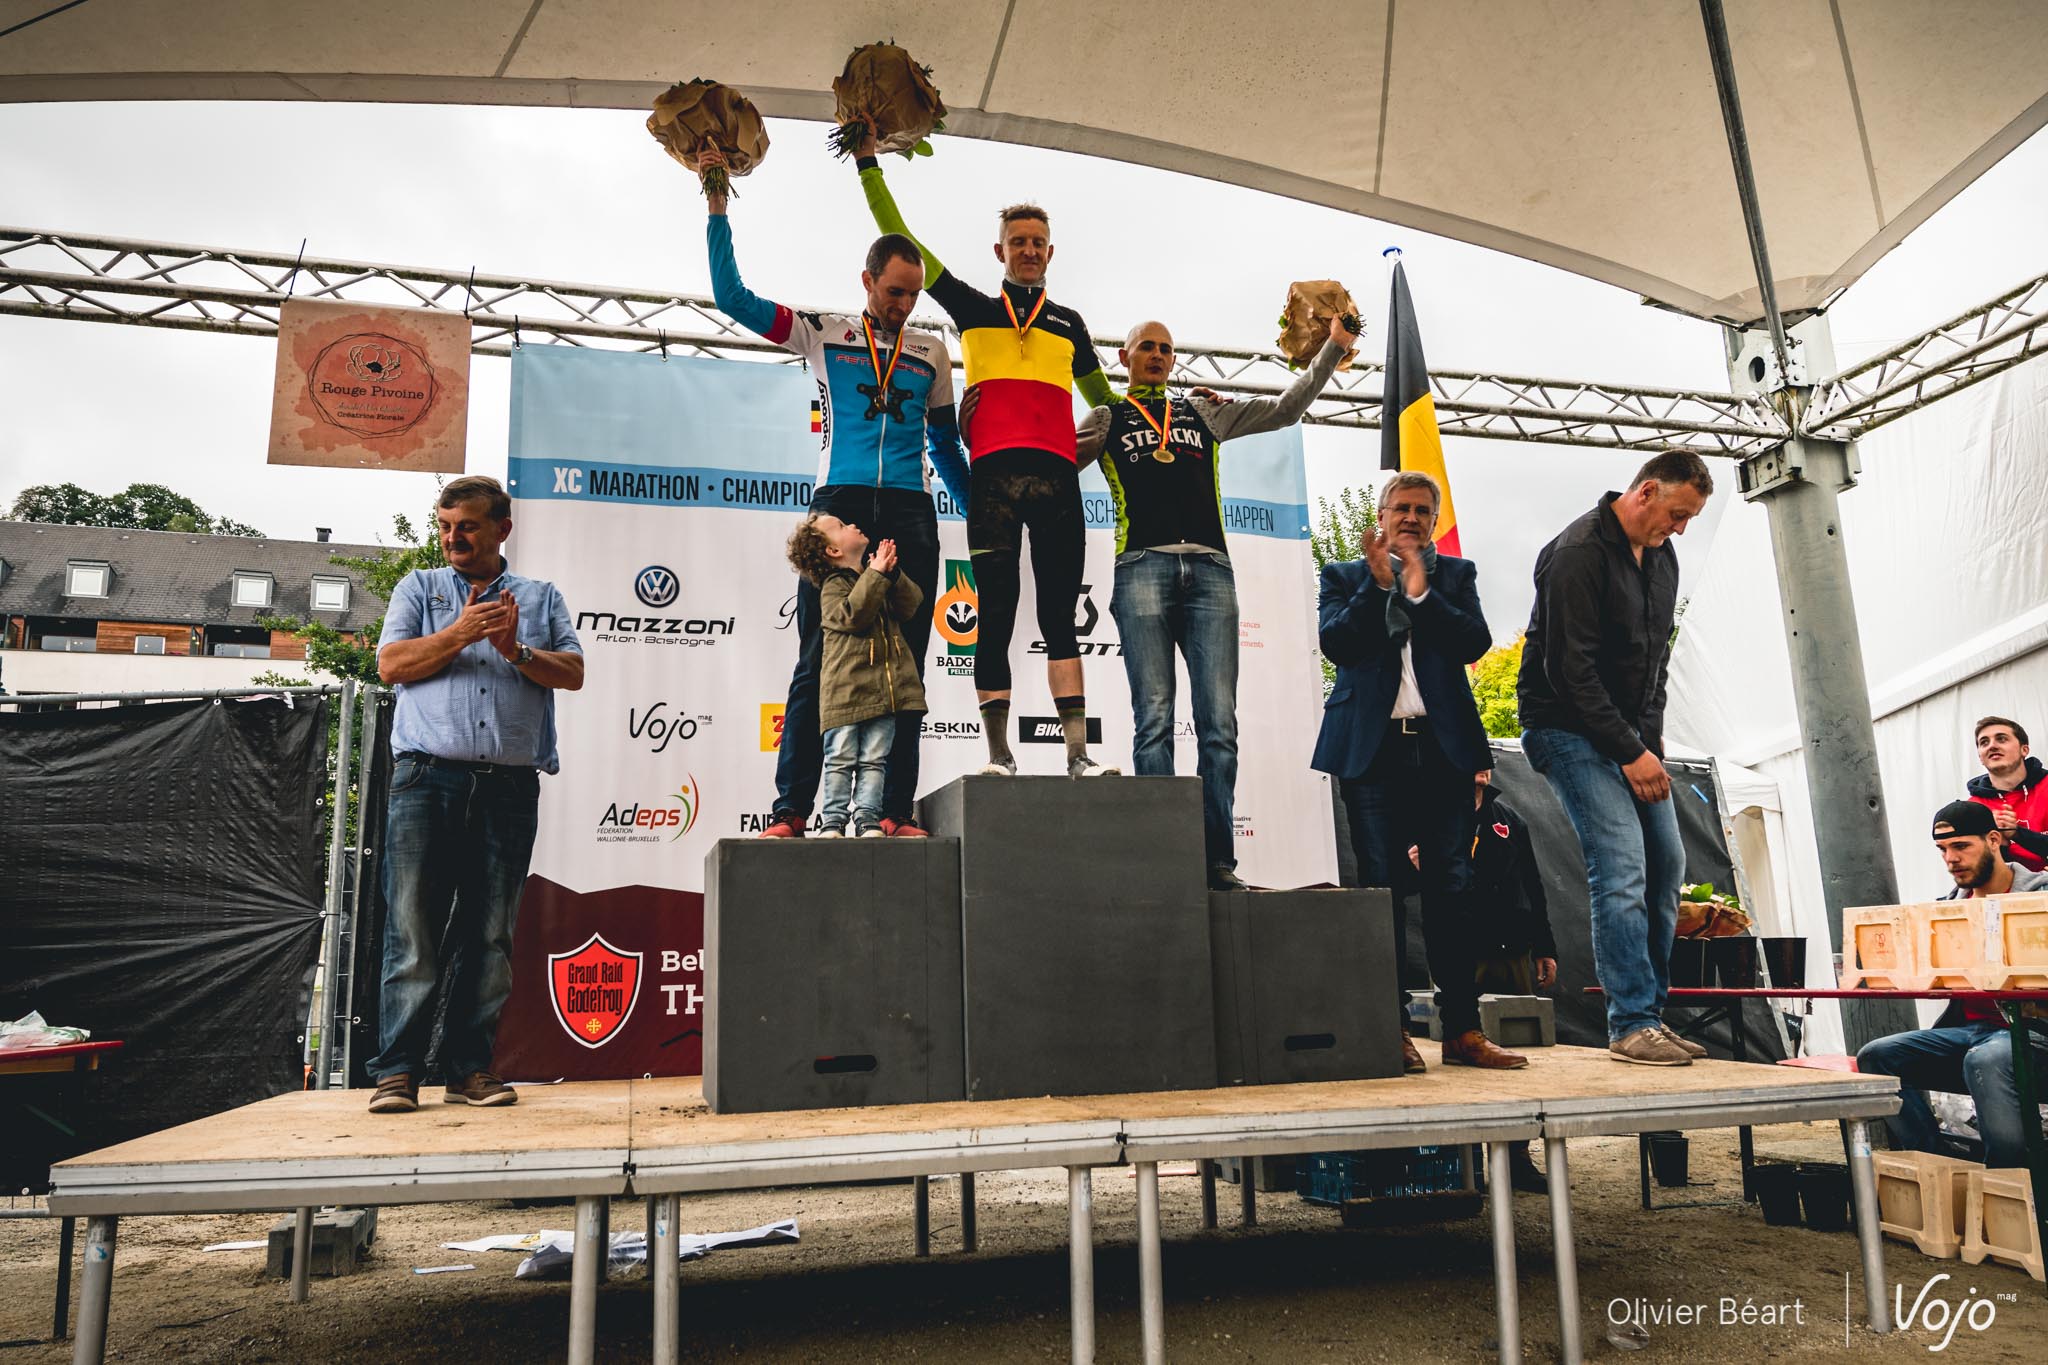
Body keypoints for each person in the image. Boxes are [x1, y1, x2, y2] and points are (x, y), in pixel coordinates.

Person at [699, 149, 965, 839]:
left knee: (907, 660)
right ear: (868, 280)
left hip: (908, 507)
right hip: (839, 505)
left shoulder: (933, 352)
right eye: (893, 291)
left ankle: (892, 810)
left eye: (913, 295)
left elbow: (944, 444)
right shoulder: (823, 333)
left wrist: (978, 513)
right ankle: (791, 810)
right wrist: (718, 208)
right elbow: (733, 298)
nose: (903, 305)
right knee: (817, 657)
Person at [854, 139, 1120, 778]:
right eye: (1017, 241)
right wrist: (867, 163)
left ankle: (1078, 756)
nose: (1028, 250)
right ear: (999, 250)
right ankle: (999, 755)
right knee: (994, 614)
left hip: (1057, 484)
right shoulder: (972, 309)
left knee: (1061, 619)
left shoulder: (1071, 325)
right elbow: (900, 235)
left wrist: (1153, 411)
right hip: (993, 484)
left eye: (1038, 241)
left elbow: (1108, 405)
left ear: (1050, 252)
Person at [1074, 316, 1355, 889]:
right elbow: (1054, 464)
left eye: (1166, 349)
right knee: (1152, 719)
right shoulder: (1106, 417)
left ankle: (1217, 860)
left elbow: (1285, 409)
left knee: (1218, 724)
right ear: (1123, 358)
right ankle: (1165, 856)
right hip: (1141, 566)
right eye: (1146, 348)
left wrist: (1333, 347)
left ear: (1174, 359)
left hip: (1210, 570)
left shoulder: (1202, 412)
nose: (1156, 355)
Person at [367, 475, 585, 1113]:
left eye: (465, 525)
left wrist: (515, 649)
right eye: (443, 526)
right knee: (413, 930)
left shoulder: (540, 597)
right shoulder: (420, 589)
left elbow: (572, 673)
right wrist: (461, 633)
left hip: (508, 787)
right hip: (425, 779)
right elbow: (390, 666)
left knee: (489, 936)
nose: (452, 538)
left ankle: (470, 1071)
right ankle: (397, 1074)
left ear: (501, 530)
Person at [1314, 471, 1525, 1072]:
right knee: (1381, 888)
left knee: (1452, 889)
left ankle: (1461, 1029)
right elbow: (1337, 645)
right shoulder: (1344, 575)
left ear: (1434, 521)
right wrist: (1380, 587)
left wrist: (1420, 592)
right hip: (1373, 752)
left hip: (1443, 751)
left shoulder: (1456, 576)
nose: (1410, 518)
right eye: (1400, 508)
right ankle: (1391, 1027)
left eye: (1422, 510)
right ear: (1380, 516)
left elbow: (1472, 642)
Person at [1517, 451, 1711, 1067]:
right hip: (1564, 729)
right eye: (1676, 514)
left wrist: (1649, 750)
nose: (1678, 530)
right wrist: (1631, 753)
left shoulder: (1663, 560)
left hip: (1627, 738)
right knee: (1622, 866)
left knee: (1666, 865)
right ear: (1646, 491)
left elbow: (1655, 667)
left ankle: (1649, 1013)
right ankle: (1628, 1023)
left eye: (1688, 521)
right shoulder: (1576, 551)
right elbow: (1567, 671)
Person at [1856, 801, 2048, 1167]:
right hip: (1972, 1033)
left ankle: (2012, 1183)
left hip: (2035, 1035)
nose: (1950, 859)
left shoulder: (2040, 896)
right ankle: (1941, 1168)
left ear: (1994, 840)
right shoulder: (1944, 912)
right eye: (1943, 849)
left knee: (1988, 1058)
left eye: (1961, 846)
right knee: (1877, 1055)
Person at [1411, 768, 1560, 1186]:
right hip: (1461, 950)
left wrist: (1544, 946)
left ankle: (1518, 1161)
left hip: (1512, 948)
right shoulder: (1429, 817)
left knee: (1514, 1054)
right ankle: (1468, 1165)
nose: (1480, 766)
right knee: (1466, 1055)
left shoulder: (1509, 819)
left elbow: (1533, 883)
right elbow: (1401, 880)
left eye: (1484, 758)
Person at [785, 514, 928, 837]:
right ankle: (833, 821)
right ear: (833, 551)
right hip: (845, 695)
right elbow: (852, 616)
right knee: (840, 758)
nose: (852, 525)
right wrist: (875, 576)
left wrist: (892, 574)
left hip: (884, 694)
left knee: (875, 760)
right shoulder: (833, 585)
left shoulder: (875, 577)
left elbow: (911, 606)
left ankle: (868, 818)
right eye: (841, 526)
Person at [1967, 715, 2048, 871]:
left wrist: (2018, 834)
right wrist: (1999, 843)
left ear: (2024, 749)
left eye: (2002, 739)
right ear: (1980, 758)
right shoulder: (1974, 808)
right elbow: (1976, 869)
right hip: (2008, 891)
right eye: (1984, 742)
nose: (1992, 746)